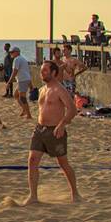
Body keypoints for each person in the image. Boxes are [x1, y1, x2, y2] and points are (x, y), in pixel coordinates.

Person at [21, 60, 80, 205]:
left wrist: (62, 124)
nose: (42, 73)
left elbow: (72, 109)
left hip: (55, 131)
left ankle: (75, 193)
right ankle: (33, 196)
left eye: (45, 70)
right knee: (32, 160)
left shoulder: (59, 89)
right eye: (42, 70)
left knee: (63, 163)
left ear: (54, 73)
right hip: (40, 129)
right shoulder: (42, 89)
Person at [10, 47, 32, 119]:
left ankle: (29, 114)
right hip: (24, 79)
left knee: (22, 97)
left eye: (12, 52)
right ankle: (24, 110)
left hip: (23, 80)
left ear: (17, 52)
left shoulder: (17, 59)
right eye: (11, 52)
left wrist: (9, 81)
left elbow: (15, 71)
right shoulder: (22, 59)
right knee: (16, 95)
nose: (11, 54)